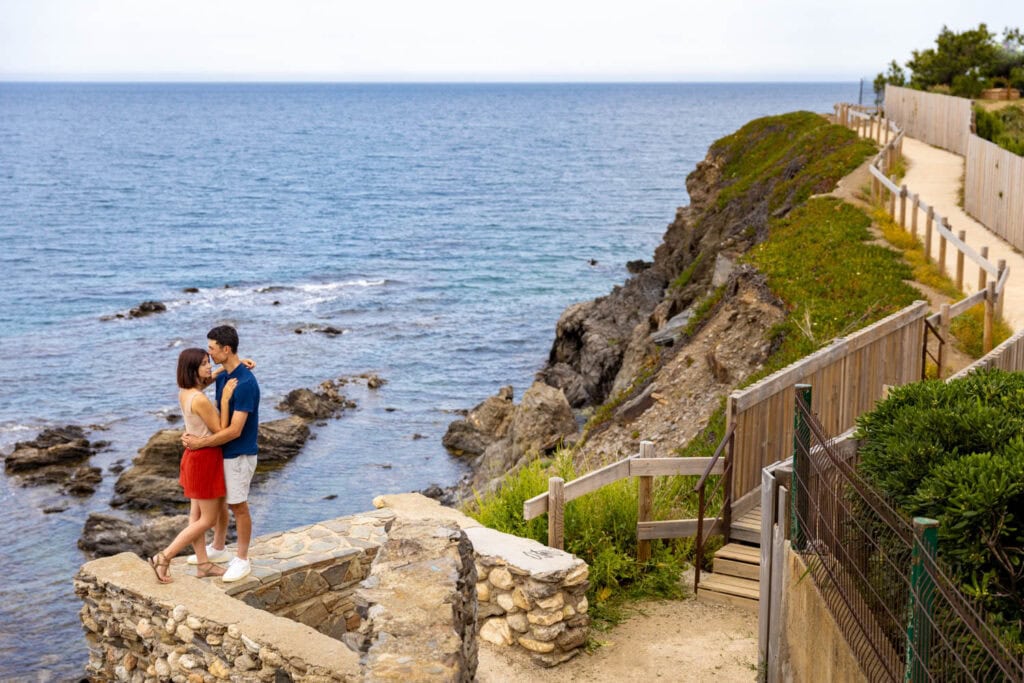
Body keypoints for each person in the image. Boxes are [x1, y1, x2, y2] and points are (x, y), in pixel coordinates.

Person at [149, 348, 236, 583]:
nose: (209, 367)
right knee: (207, 520)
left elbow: (202, 386)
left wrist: (225, 369)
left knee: (195, 515)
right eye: (204, 364)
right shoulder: (200, 400)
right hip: (206, 459)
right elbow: (221, 430)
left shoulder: (185, 392)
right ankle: (163, 557)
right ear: (192, 370)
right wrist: (226, 400)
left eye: (209, 362)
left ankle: (203, 565)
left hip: (192, 458)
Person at [182, 325, 260, 583]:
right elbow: (203, 382)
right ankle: (218, 548)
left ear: (226, 349)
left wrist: (200, 443)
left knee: (238, 506)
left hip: (239, 453)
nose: (209, 353)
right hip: (222, 453)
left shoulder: (245, 383)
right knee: (220, 502)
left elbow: (235, 430)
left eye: (212, 349)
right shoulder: (226, 376)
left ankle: (242, 559)